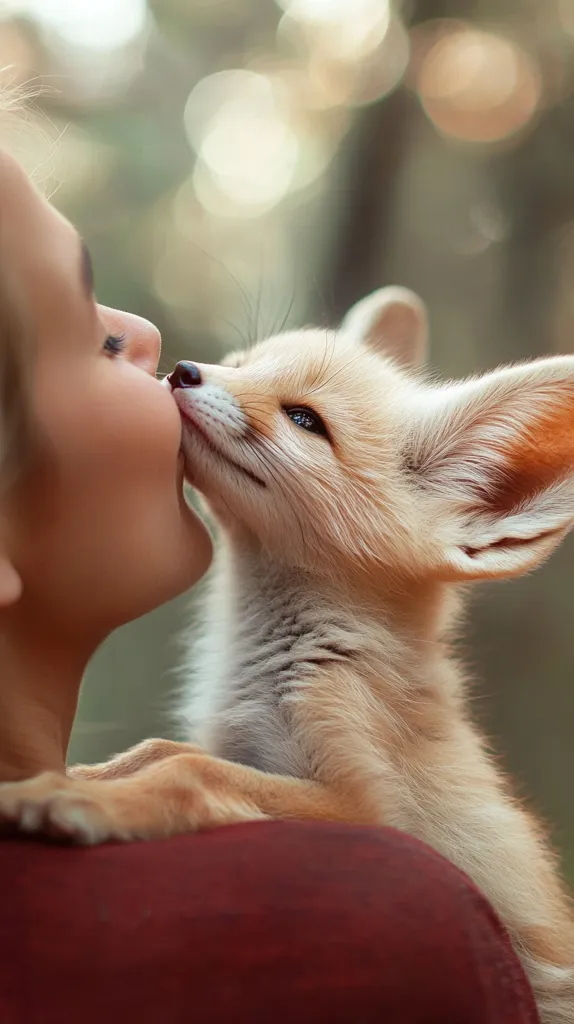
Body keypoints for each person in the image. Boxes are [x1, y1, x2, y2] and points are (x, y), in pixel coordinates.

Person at [0, 106, 539, 1023]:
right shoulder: (367, 933)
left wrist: (159, 776)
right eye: (88, 334)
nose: (173, 354)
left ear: (479, 510)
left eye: (299, 417)